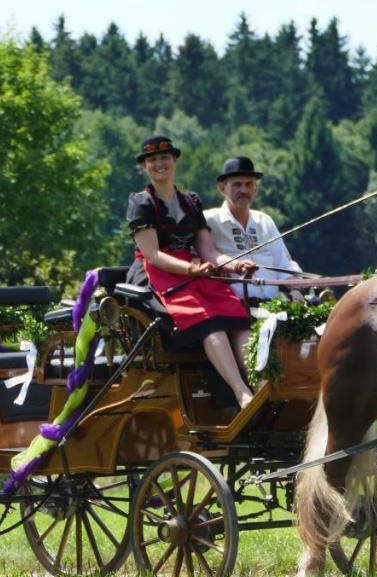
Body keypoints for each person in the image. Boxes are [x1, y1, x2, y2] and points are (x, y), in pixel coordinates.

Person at [125, 135, 258, 408]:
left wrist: (233, 264)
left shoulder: (191, 201)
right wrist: (190, 268)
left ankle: (261, 386)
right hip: (157, 275)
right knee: (211, 323)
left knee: (238, 319)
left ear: (174, 160)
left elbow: (208, 251)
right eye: (152, 160)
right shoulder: (142, 202)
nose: (159, 164)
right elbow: (152, 255)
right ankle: (240, 392)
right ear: (145, 167)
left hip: (195, 271)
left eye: (164, 158)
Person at [204, 156, 305, 305]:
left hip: (272, 308)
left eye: (249, 184)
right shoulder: (208, 221)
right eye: (237, 185)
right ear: (222, 188)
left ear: (255, 189)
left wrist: (296, 289)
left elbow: (284, 266)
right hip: (231, 310)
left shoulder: (265, 221)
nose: (243, 190)